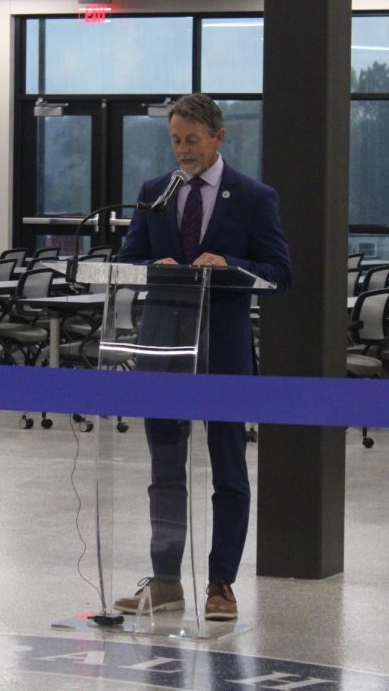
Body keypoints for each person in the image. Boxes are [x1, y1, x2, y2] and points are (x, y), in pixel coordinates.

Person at [114, 93, 292, 621]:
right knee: (163, 470)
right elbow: (126, 263)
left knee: (229, 473)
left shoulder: (255, 197)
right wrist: (157, 264)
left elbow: (281, 273)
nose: (183, 150)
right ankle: (166, 580)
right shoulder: (155, 193)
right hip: (164, 351)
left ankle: (221, 584)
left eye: (192, 139)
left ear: (218, 137)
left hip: (224, 352)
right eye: (175, 140)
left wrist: (229, 264)